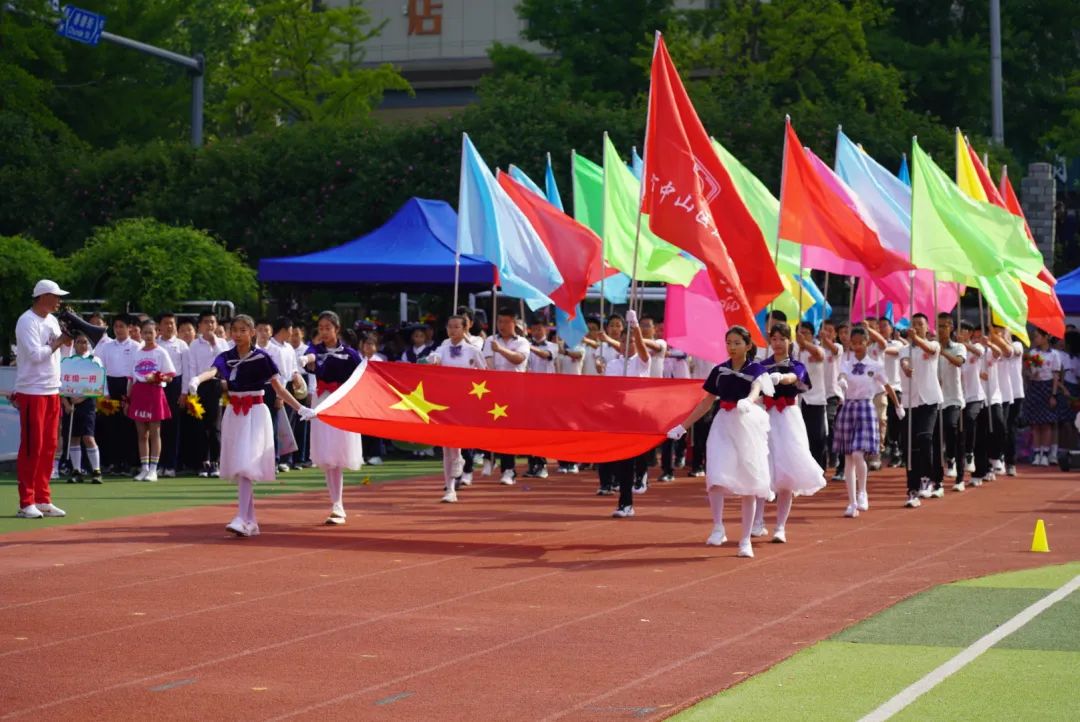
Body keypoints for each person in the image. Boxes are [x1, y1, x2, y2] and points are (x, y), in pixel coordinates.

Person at [188, 315, 309, 537]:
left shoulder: (262, 358)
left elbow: (279, 388)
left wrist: (300, 408)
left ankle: (242, 518)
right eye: (234, 330)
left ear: (252, 333)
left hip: (255, 413)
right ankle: (251, 521)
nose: (237, 334)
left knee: (246, 465)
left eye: (243, 330)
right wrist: (197, 379)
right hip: (234, 414)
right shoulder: (227, 356)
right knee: (241, 466)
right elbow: (213, 371)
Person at [668, 326, 773, 558]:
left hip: (747, 423)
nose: (732, 347)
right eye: (729, 343)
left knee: (749, 482)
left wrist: (748, 400)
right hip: (723, 424)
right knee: (715, 476)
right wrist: (682, 427)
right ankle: (718, 527)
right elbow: (706, 402)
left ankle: (745, 540)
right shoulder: (720, 370)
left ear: (747, 345)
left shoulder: (756, 368)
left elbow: (757, 388)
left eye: (737, 343)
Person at [758, 323, 825, 543]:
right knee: (761, 470)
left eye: (781, 339)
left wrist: (779, 378)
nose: (777, 343)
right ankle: (757, 521)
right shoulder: (762, 365)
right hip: (765, 417)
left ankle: (780, 526)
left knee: (786, 473)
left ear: (789, 341)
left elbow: (795, 379)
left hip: (788, 418)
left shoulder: (796, 365)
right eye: (773, 339)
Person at [300, 311, 365, 525]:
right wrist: (305, 359)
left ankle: (338, 504)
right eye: (321, 327)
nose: (324, 331)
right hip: (321, 403)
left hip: (342, 404)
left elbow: (362, 376)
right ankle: (336, 503)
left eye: (328, 327)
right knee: (328, 455)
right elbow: (310, 357)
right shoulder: (315, 350)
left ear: (337, 329)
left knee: (339, 453)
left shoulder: (350, 353)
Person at [13, 279, 71, 518]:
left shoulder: (52, 320)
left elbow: (61, 352)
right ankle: (26, 501)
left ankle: (42, 498)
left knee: (49, 446)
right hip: (31, 391)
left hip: (51, 389)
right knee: (31, 447)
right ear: (43, 296)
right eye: (55, 296)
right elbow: (36, 355)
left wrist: (67, 339)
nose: (59, 301)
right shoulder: (27, 321)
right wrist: (59, 342)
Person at [835, 327, 902, 518]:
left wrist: (897, 406)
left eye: (860, 342)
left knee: (858, 454)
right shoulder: (846, 363)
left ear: (867, 342)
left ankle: (862, 491)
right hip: (849, 408)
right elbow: (842, 375)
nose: (856, 346)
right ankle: (851, 502)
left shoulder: (875, 365)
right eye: (853, 343)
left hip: (865, 407)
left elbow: (887, 386)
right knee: (848, 457)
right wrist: (842, 382)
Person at [596, 311, 650, 518]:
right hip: (618, 416)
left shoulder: (643, 361)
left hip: (638, 415)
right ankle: (625, 503)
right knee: (622, 458)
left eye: (631, 342)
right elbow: (610, 390)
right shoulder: (613, 364)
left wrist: (635, 325)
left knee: (637, 455)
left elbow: (643, 349)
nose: (627, 346)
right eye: (623, 342)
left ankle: (642, 475)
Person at [430, 315, 487, 503]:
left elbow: (486, 374)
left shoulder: (473, 350)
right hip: (446, 402)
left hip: (466, 402)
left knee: (455, 441)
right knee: (447, 447)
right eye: (450, 327)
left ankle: (459, 457)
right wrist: (433, 360)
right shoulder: (443, 348)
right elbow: (434, 358)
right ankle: (450, 488)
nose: (453, 330)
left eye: (456, 327)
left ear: (464, 329)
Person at [482, 307, 531, 485]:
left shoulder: (522, 342)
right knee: (491, 427)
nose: (502, 325)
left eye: (506, 321)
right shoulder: (490, 340)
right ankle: (489, 456)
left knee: (508, 431)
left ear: (514, 323)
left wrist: (501, 349)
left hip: (514, 392)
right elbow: (488, 363)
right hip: (494, 390)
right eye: (499, 321)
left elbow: (518, 359)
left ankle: (508, 469)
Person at [898, 314, 942, 506]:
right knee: (910, 446)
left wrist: (916, 339)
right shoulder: (905, 350)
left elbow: (930, 349)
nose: (916, 327)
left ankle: (928, 478)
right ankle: (912, 489)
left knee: (925, 437)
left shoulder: (934, 345)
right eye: (913, 324)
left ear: (926, 327)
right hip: (910, 401)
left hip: (930, 400)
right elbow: (903, 362)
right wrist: (906, 367)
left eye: (920, 324)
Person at [125, 319, 176, 482]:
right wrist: (127, 399)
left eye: (151, 332)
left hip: (155, 393)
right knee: (142, 434)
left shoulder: (161, 352)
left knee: (155, 432)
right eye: (145, 332)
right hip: (139, 393)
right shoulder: (137, 353)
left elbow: (170, 377)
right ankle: (144, 468)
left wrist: (157, 377)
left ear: (157, 333)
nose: (147, 335)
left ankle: (154, 469)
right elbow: (131, 379)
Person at [184, 312, 230, 478]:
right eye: (206, 322)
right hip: (199, 385)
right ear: (200, 326)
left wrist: (214, 342)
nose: (209, 325)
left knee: (215, 425)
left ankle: (216, 461)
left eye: (212, 322)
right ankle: (204, 462)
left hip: (218, 385)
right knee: (201, 426)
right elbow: (191, 367)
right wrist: (190, 390)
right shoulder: (195, 345)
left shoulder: (222, 343)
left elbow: (226, 362)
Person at [95, 314, 141, 475]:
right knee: (111, 427)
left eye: (122, 326)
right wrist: (105, 392)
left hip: (129, 387)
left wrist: (130, 395)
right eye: (116, 326)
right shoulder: (106, 347)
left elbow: (137, 371)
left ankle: (130, 463)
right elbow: (101, 370)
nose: (119, 329)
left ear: (129, 328)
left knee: (129, 427)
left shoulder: (137, 346)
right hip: (110, 386)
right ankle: (113, 462)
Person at [62, 332, 103, 484]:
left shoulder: (95, 360)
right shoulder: (67, 361)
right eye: (79, 342)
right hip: (70, 403)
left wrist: (81, 398)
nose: (82, 345)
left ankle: (96, 471)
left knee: (88, 437)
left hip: (87, 402)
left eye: (85, 342)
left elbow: (97, 384)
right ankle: (76, 470)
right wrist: (66, 403)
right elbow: (60, 384)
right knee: (74, 437)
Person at [935, 313, 966, 492]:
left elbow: (959, 362)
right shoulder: (931, 347)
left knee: (952, 428)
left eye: (944, 326)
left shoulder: (958, 347)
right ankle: (937, 481)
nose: (941, 330)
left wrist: (943, 352)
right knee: (936, 439)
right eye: (938, 326)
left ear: (951, 327)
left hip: (954, 398)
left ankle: (959, 474)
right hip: (936, 399)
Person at [524, 319, 558, 478]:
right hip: (529, 391)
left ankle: (542, 464)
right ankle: (532, 464)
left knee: (542, 429)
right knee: (529, 429)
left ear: (545, 330)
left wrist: (529, 347)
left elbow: (546, 355)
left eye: (540, 329)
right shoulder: (525, 345)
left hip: (546, 392)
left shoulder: (553, 346)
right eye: (534, 329)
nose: (537, 332)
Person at [156, 313, 188, 478]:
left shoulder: (181, 345)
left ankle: (171, 465)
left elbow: (187, 369)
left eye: (172, 323)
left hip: (175, 385)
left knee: (173, 427)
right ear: (159, 326)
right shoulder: (154, 344)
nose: (169, 326)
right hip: (156, 386)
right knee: (157, 427)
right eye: (165, 323)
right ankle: (158, 463)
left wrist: (184, 392)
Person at [1024, 329, 1062, 466]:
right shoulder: (1033, 353)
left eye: (1038, 336)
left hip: (1047, 387)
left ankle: (1045, 453)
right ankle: (1036, 453)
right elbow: (1027, 371)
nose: (1035, 339)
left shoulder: (1054, 355)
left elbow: (1056, 376)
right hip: (1035, 387)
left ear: (1046, 337)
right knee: (1035, 423)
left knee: (1046, 423)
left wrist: (1053, 394)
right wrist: (1030, 375)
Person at [957, 321, 988, 486]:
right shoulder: (955, 349)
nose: (960, 333)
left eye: (964, 331)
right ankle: (959, 474)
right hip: (958, 397)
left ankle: (972, 457)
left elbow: (979, 352)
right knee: (958, 434)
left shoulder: (977, 348)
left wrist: (965, 344)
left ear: (969, 333)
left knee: (970, 420)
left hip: (975, 396)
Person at [796, 321, 828, 469]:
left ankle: (819, 466)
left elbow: (819, 355)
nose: (802, 336)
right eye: (799, 333)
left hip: (816, 399)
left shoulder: (817, 348)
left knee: (817, 436)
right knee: (801, 436)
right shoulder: (794, 351)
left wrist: (806, 344)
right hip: (798, 400)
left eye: (806, 333)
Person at [820, 319, 845, 480]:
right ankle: (824, 462)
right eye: (824, 329)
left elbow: (834, 349)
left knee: (831, 425)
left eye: (830, 330)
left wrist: (826, 340)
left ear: (835, 334)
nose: (827, 332)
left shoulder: (838, 349)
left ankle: (835, 456)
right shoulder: (815, 349)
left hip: (832, 395)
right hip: (816, 396)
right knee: (821, 431)